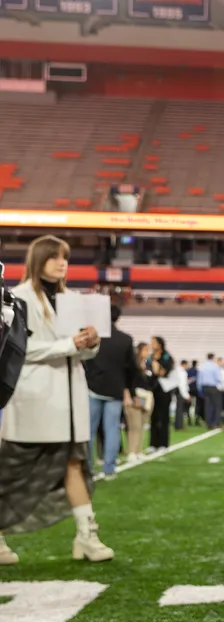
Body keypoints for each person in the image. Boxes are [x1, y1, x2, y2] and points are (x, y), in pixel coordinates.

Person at [0, 235, 114, 565]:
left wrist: (90, 342)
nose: (62, 263)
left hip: (70, 399)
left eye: (64, 257)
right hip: (35, 398)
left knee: (74, 464)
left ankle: (87, 536)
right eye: (54, 257)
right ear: (39, 260)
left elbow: (83, 350)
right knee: (11, 472)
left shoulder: (73, 299)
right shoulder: (16, 299)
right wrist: (70, 345)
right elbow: (17, 351)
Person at [84, 304, 136, 480]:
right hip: (115, 389)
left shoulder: (93, 338)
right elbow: (131, 369)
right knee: (112, 429)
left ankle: (88, 468)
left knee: (89, 431)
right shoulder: (125, 340)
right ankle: (109, 468)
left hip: (93, 388)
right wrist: (130, 390)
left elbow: (85, 361)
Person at [125, 341, 154, 463]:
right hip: (136, 395)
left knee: (142, 425)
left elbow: (151, 383)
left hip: (147, 397)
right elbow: (128, 381)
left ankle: (139, 450)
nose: (148, 353)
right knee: (134, 426)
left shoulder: (148, 365)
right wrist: (130, 396)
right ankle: (131, 451)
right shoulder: (132, 365)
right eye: (146, 350)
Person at [146, 336, 174, 453]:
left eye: (154, 342)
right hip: (152, 389)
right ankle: (153, 443)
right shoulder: (150, 357)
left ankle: (163, 443)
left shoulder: (166, 356)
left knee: (163, 417)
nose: (152, 345)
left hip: (164, 390)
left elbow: (165, 371)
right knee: (153, 417)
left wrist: (157, 369)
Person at [196, 352, 222, 429]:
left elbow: (199, 380)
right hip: (213, 387)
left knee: (208, 406)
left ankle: (209, 423)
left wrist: (200, 389)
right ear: (213, 358)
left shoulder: (202, 367)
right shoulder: (214, 367)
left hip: (205, 387)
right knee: (217, 406)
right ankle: (216, 423)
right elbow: (218, 378)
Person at [173, 359, 191, 431]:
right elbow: (182, 385)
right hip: (181, 392)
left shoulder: (176, 370)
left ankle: (177, 424)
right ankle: (179, 425)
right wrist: (186, 395)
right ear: (184, 364)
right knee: (180, 409)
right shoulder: (183, 373)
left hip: (177, 391)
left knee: (178, 409)